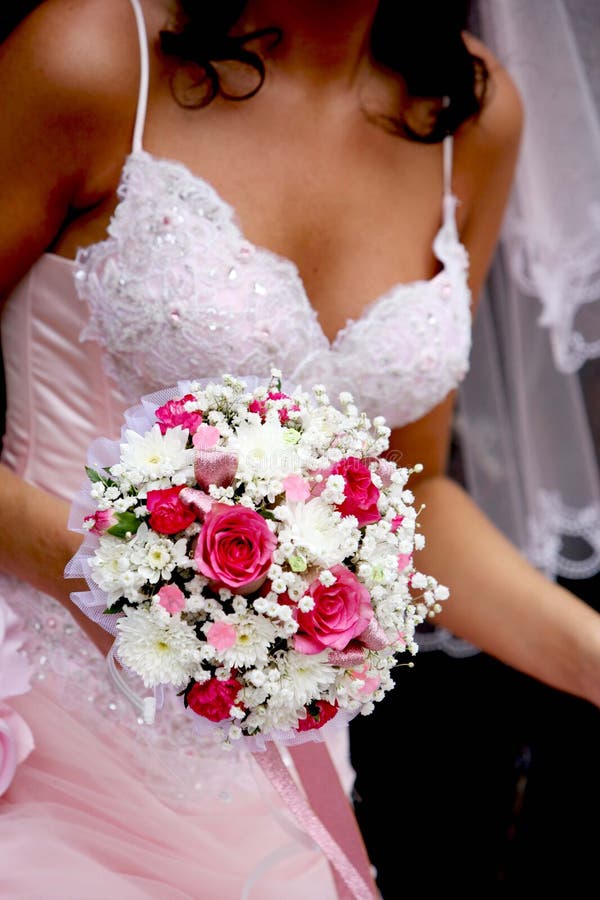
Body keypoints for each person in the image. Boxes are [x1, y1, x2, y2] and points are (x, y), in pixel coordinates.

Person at [1, 1, 599, 897]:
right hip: (44, 722)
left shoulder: (468, 117)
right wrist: (118, 575)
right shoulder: (94, 53)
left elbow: (411, 491)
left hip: (283, 787)